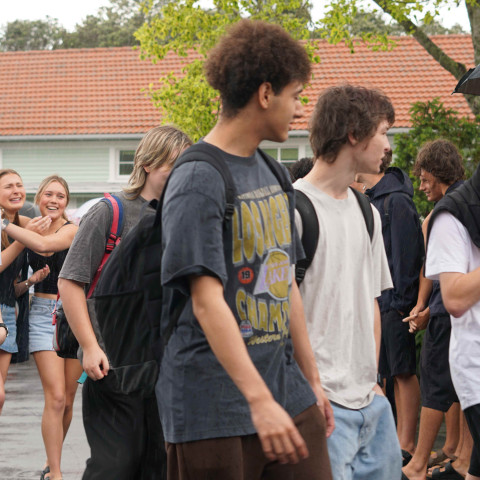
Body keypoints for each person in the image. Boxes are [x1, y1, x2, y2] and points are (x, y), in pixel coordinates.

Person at [158, 19, 333, 480]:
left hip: (285, 392)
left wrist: (311, 380)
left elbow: (285, 281)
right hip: (211, 407)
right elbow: (205, 298)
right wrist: (257, 400)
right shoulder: (198, 177)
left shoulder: (274, 173)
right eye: (296, 96)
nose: (299, 110)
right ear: (265, 93)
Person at [58, 125, 192, 480]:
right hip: (111, 367)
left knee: (159, 467)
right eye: (172, 166)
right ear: (148, 163)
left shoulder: (180, 218)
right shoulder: (110, 211)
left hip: (163, 368)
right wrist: (89, 346)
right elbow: (70, 282)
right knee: (114, 467)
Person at [294, 84, 402, 480]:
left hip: (371, 405)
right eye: (383, 132)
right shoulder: (293, 210)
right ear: (354, 135)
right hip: (318, 406)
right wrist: (311, 388)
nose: (387, 145)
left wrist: (373, 383)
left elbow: (371, 302)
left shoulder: (367, 211)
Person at [3, 175, 81, 480]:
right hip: (40, 314)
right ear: (38, 198)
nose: (54, 200)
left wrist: (9, 226)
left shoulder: (71, 229)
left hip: (72, 315)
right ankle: (56, 471)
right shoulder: (25, 223)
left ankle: (53, 459)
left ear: (66, 201)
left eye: (60, 196)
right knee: (57, 396)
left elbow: (45, 244)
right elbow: (7, 213)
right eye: (48, 194)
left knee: (71, 399)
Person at [402, 139, 465, 480]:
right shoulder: (468, 200)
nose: (423, 186)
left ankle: (417, 463)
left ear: (438, 174)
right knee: (462, 383)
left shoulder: (445, 212)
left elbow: (436, 268)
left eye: (425, 179)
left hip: (447, 311)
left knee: (435, 382)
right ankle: (460, 455)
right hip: (461, 310)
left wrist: (427, 307)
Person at [356, 150, 423, 463]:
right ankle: (395, 440)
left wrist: (401, 303)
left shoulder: (395, 201)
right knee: (387, 372)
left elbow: (408, 255)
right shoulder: (373, 199)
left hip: (395, 304)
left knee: (403, 372)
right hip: (380, 302)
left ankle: (407, 443)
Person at [424, 159, 480, 480]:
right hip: (474, 363)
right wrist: (422, 306)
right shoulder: (450, 215)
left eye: (425, 179)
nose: (421, 186)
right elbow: (454, 297)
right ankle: (419, 461)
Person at [0, 169, 49, 415]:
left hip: (8, 312)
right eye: (8, 186)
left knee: (0, 396)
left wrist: (32, 281)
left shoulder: (21, 224)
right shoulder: (14, 229)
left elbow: (9, 286)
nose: (16, 190)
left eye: (19, 185)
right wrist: (25, 237)